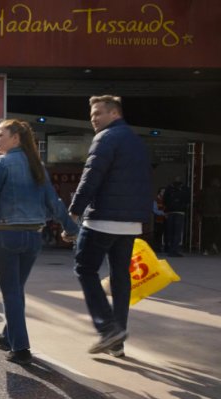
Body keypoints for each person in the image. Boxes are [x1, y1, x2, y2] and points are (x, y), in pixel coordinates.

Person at [0, 119, 78, 365]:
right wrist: (70, 227)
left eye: (0, 135)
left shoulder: (0, 163)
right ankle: (8, 334)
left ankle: (20, 348)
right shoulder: (36, 165)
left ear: (15, 138)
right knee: (16, 289)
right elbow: (54, 202)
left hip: (5, 235)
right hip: (33, 237)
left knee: (10, 292)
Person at [67, 95, 152, 357]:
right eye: (92, 114)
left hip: (103, 219)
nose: (93, 119)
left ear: (115, 114)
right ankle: (117, 341)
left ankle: (107, 328)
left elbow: (90, 177)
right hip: (129, 225)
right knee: (120, 278)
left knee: (85, 268)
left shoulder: (105, 139)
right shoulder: (136, 141)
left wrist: (74, 212)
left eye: (99, 113)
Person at [198, 178, 221, 255]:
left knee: (206, 231)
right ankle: (213, 243)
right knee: (216, 231)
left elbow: (201, 203)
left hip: (206, 214)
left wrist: (200, 213)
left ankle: (206, 249)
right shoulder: (220, 191)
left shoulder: (205, 190)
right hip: (216, 214)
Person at [163, 175, 190, 257]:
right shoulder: (185, 189)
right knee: (177, 232)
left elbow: (165, 199)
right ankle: (174, 250)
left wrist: (167, 208)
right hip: (180, 212)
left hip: (170, 211)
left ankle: (170, 249)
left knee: (170, 231)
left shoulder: (169, 188)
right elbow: (187, 199)